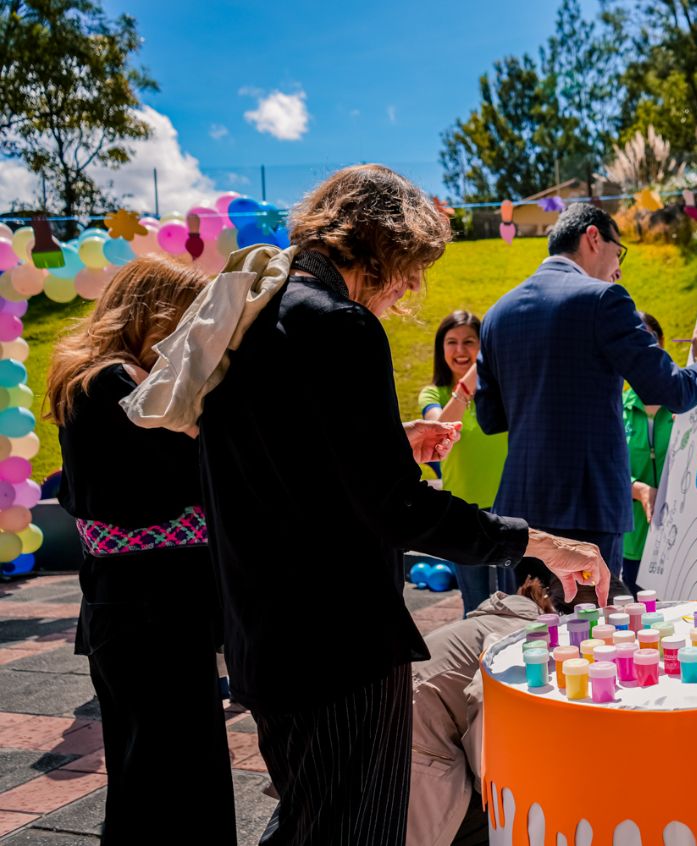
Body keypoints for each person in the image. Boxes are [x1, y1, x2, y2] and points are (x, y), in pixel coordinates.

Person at [124, 165, 608, 845]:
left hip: (265, 640)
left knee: (307, 821)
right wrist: (536, 542)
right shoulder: (339, 325)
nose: (410, 287)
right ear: (384, 245)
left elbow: (284, 461)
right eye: (411, 267)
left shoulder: (250, 317)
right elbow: (399, 508)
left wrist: (390, 441)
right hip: (337, 650)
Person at [47, 256, 234, 844]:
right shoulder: (120, 383)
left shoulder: (89, 379)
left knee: (144, 772)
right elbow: (193, 470)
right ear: (154, 314)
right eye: (187, 317)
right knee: (177, 774)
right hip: (157, 608)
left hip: (127, 605)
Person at [476, 203, 697, 582]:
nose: (618, 268)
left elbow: (490, 419)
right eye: (618, 252)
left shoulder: (497, 314)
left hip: (517, 517)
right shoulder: (604, 299)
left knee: (528, 619)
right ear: (593, 237)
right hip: (587, 510)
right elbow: (670, 389)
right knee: (587, 620)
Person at [407, 578, 554, 846]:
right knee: (510, 814)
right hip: (420, 756)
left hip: (406, 729)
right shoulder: (530, 638)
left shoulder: (503, 616)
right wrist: (490, 793)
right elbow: (485, 698)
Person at [418, 311, 511, 614]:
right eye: (452, 342)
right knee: (476, 607)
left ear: (483, 347)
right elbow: (440, 428)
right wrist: (467, 387)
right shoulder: (433, 394)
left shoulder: (502, 392)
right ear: (441, 348)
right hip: (462, 513)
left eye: (470, 342)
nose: (460, 350)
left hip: (508, 509)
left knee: (515, 604)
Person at [621, 311, 674, 593]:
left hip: (682, 540)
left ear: (661, 343)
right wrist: (639, 489)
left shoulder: (685, 403)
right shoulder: (615, 408)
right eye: (632, 340)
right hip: (633, 543)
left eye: (648, 338)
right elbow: (603, 474)